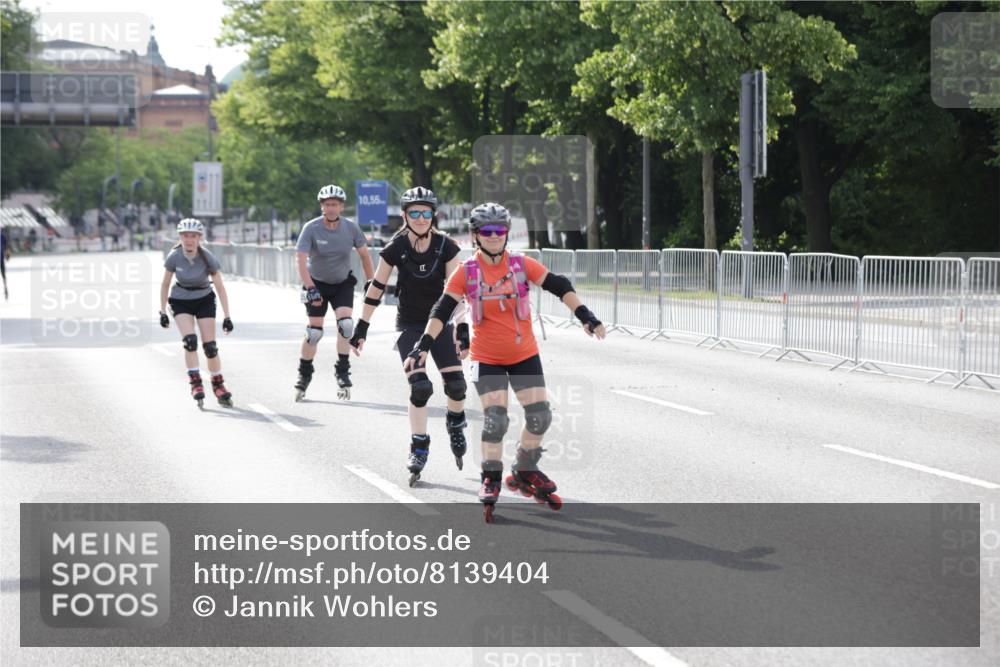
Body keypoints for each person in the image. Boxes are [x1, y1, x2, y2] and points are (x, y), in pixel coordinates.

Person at [405, 203, 606, 522]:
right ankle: (490, 476)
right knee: (496, 421)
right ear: (475, 236)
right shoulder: (467, 271)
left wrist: (586, 316)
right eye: (488, 231)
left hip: (524, 353)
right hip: (487, 358)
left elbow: (559, 285)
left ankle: (525, 467)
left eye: (500, 231)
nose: (495, 237)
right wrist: (424, 345)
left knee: (540, 417)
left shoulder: (521, 264)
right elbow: (441, 310)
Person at [349, 187, 469, 486]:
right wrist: (361, 327)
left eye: (425, 212)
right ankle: (418, 446)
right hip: (409, 326)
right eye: (413, 212)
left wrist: (463, 328)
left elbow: (458, 293)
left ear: (433, 215)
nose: (419, 217)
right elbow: (376, 288)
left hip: (440, 324)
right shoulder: (395, 247)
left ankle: (455, 421)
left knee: (456, 386)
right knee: (421, 388)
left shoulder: (447, 247)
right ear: (404, 215)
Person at [294, 184, 374, 400]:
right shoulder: (311, 228)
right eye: (327, 204)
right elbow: (300, 260)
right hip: (316, 283)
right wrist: (310, 287)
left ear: (341, 207)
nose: (331, 209)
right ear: (322, 206)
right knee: (314, 333)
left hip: (341, 283)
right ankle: (304, 374)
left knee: (346, 325)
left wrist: (371, 282)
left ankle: (342, 371)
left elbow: (365, 256)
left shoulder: (351, 228)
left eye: (335, 205)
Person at [159, 218, 234, 408]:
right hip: (180, 300)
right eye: (185, 235)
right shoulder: (174, 257)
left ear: (200, 237)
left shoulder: (208, 258)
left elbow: (220, 287)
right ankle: (195, 382)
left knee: (210, 347)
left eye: (193, 236)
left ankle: (218, 384)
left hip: (204, 300)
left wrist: (227, 316)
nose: (189, 239)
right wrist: (162, 311)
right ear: (180, 236)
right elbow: (165, 284)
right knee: (190, 342)